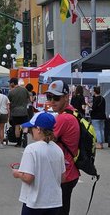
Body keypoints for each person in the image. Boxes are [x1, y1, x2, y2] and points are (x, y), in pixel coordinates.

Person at [12, 111, 65, 214]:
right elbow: (63, 178)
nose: (31, 131)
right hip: (54, 202)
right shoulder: (58, 150)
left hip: (35, 202)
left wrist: (17, 173)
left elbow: (28, 177)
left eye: (33, 128)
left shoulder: (32, 149)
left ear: (39, 129)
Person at [46, 81, 80, 215]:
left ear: (66, 97)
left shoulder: (63, 118)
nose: (52, 101)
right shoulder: (72, 113)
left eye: (56, 98)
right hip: (70, 171)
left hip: (65, 172)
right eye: (50, 97)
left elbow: (45, 139)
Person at [8, 78, 31, 147]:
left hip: (15, 112)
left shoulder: (11, 92)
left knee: (17, 127)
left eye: (10, 83)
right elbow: (29, 99)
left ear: (12, 83)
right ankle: (24, 134)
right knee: (25, 125)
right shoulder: (24, 89)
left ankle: (18, 143)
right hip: (24, 111)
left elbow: (9, 102)